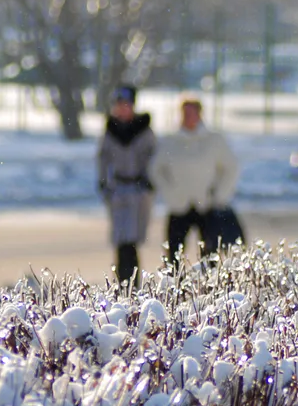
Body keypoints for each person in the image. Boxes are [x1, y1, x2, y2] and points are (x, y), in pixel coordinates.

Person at [149, 93, 240, 265]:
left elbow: (231, 167)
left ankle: (209, 282)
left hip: (206, 205)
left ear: (200, 114)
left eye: (192, 112)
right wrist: (169, 192)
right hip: (179, 205)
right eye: (185, 113)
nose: (188, 117)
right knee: (174, 257)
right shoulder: (171, 141)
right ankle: (177, 282)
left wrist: (219, 195)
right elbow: (156, 169)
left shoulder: (214, 140)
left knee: (210, 255)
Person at [97, 84, 157, 288]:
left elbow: (155, 158)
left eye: (126, 104)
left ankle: (132, 284)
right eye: (118, 105)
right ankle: (122, 283)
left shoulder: (143, 130)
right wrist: (104, 182)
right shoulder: (110, 131)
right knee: (121, 240)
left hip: (138, 190)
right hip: (118, 189)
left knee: (132, 241)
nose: (122, 109)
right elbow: (103, 158)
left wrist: (150, 181)